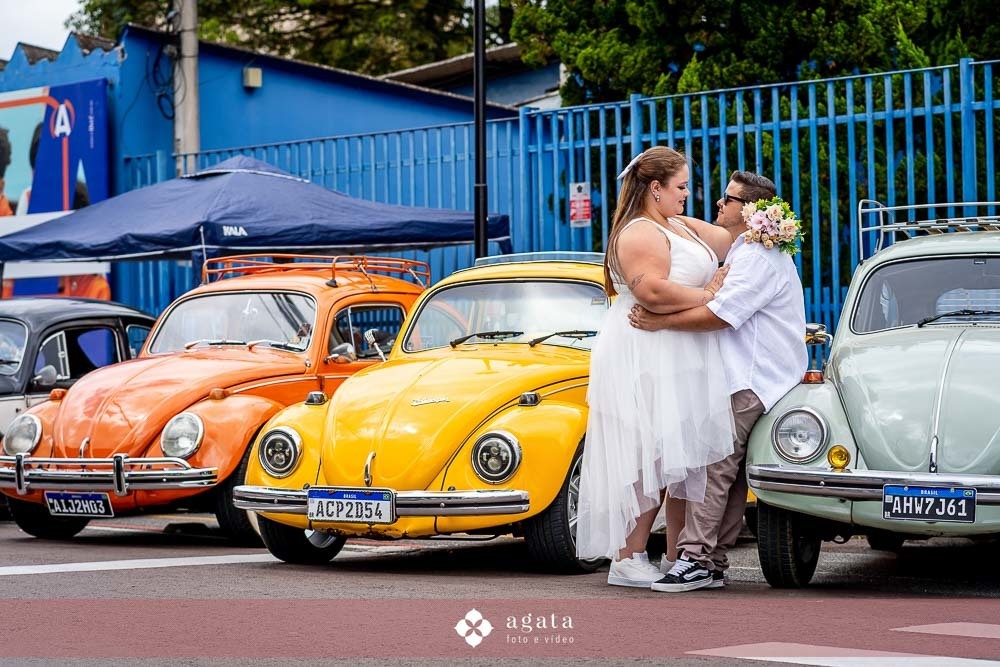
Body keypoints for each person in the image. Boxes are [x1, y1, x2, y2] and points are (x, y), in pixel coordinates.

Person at [628, 170, 808, 592]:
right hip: (747, 374)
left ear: (749, 211)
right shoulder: (749, 248)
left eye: (728, 200)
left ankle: (693, 557)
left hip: (751, 376)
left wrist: (660, 323)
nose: (718, 204)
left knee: (712, 466)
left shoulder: (761, 258)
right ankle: (710, 560)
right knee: (725, 471)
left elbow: (720, 314)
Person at [576, 146, 736, 588]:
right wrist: (710, 296)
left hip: (679, 347)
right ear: (655, 187)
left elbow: (727, 239)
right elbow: (653, 292)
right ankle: (628, 556)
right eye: (681, 186)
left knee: (684, 452)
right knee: (652, 452)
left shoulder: (676, 223)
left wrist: (760, 222)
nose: (688, 194)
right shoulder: (640, 232)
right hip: (647, 347)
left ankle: (676, 556)